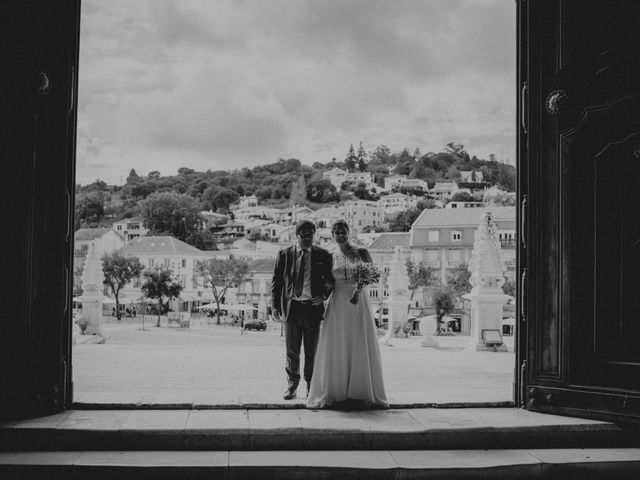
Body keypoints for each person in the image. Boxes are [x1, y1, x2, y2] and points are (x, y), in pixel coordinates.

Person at [307, 219, 387, 410]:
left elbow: (371, 276)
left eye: (343, 232)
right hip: (337, 303)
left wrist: (358, 292)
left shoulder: (361, 252)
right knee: (337, 343)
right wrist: (320, 291)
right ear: (332, 235)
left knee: (358, 341)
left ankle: (360, 391)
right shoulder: (331, 256)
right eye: (337, 233)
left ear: (349, 232)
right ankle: (337, 391)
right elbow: (328, 281)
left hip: (357, 301)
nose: (340, 235)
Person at [272, 220, 334, 400]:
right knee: (292, 351)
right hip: (292, 308)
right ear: (296, 235)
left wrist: (322, 295)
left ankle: (310, 386)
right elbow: (276, 281)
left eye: (310, 235)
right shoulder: (284, 254)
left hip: (312, 309)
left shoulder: (324, 255)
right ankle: (291, 386)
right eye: (303, 235)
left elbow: (330, 281)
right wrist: (276, 306)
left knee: (311, 350)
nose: (307, 238)